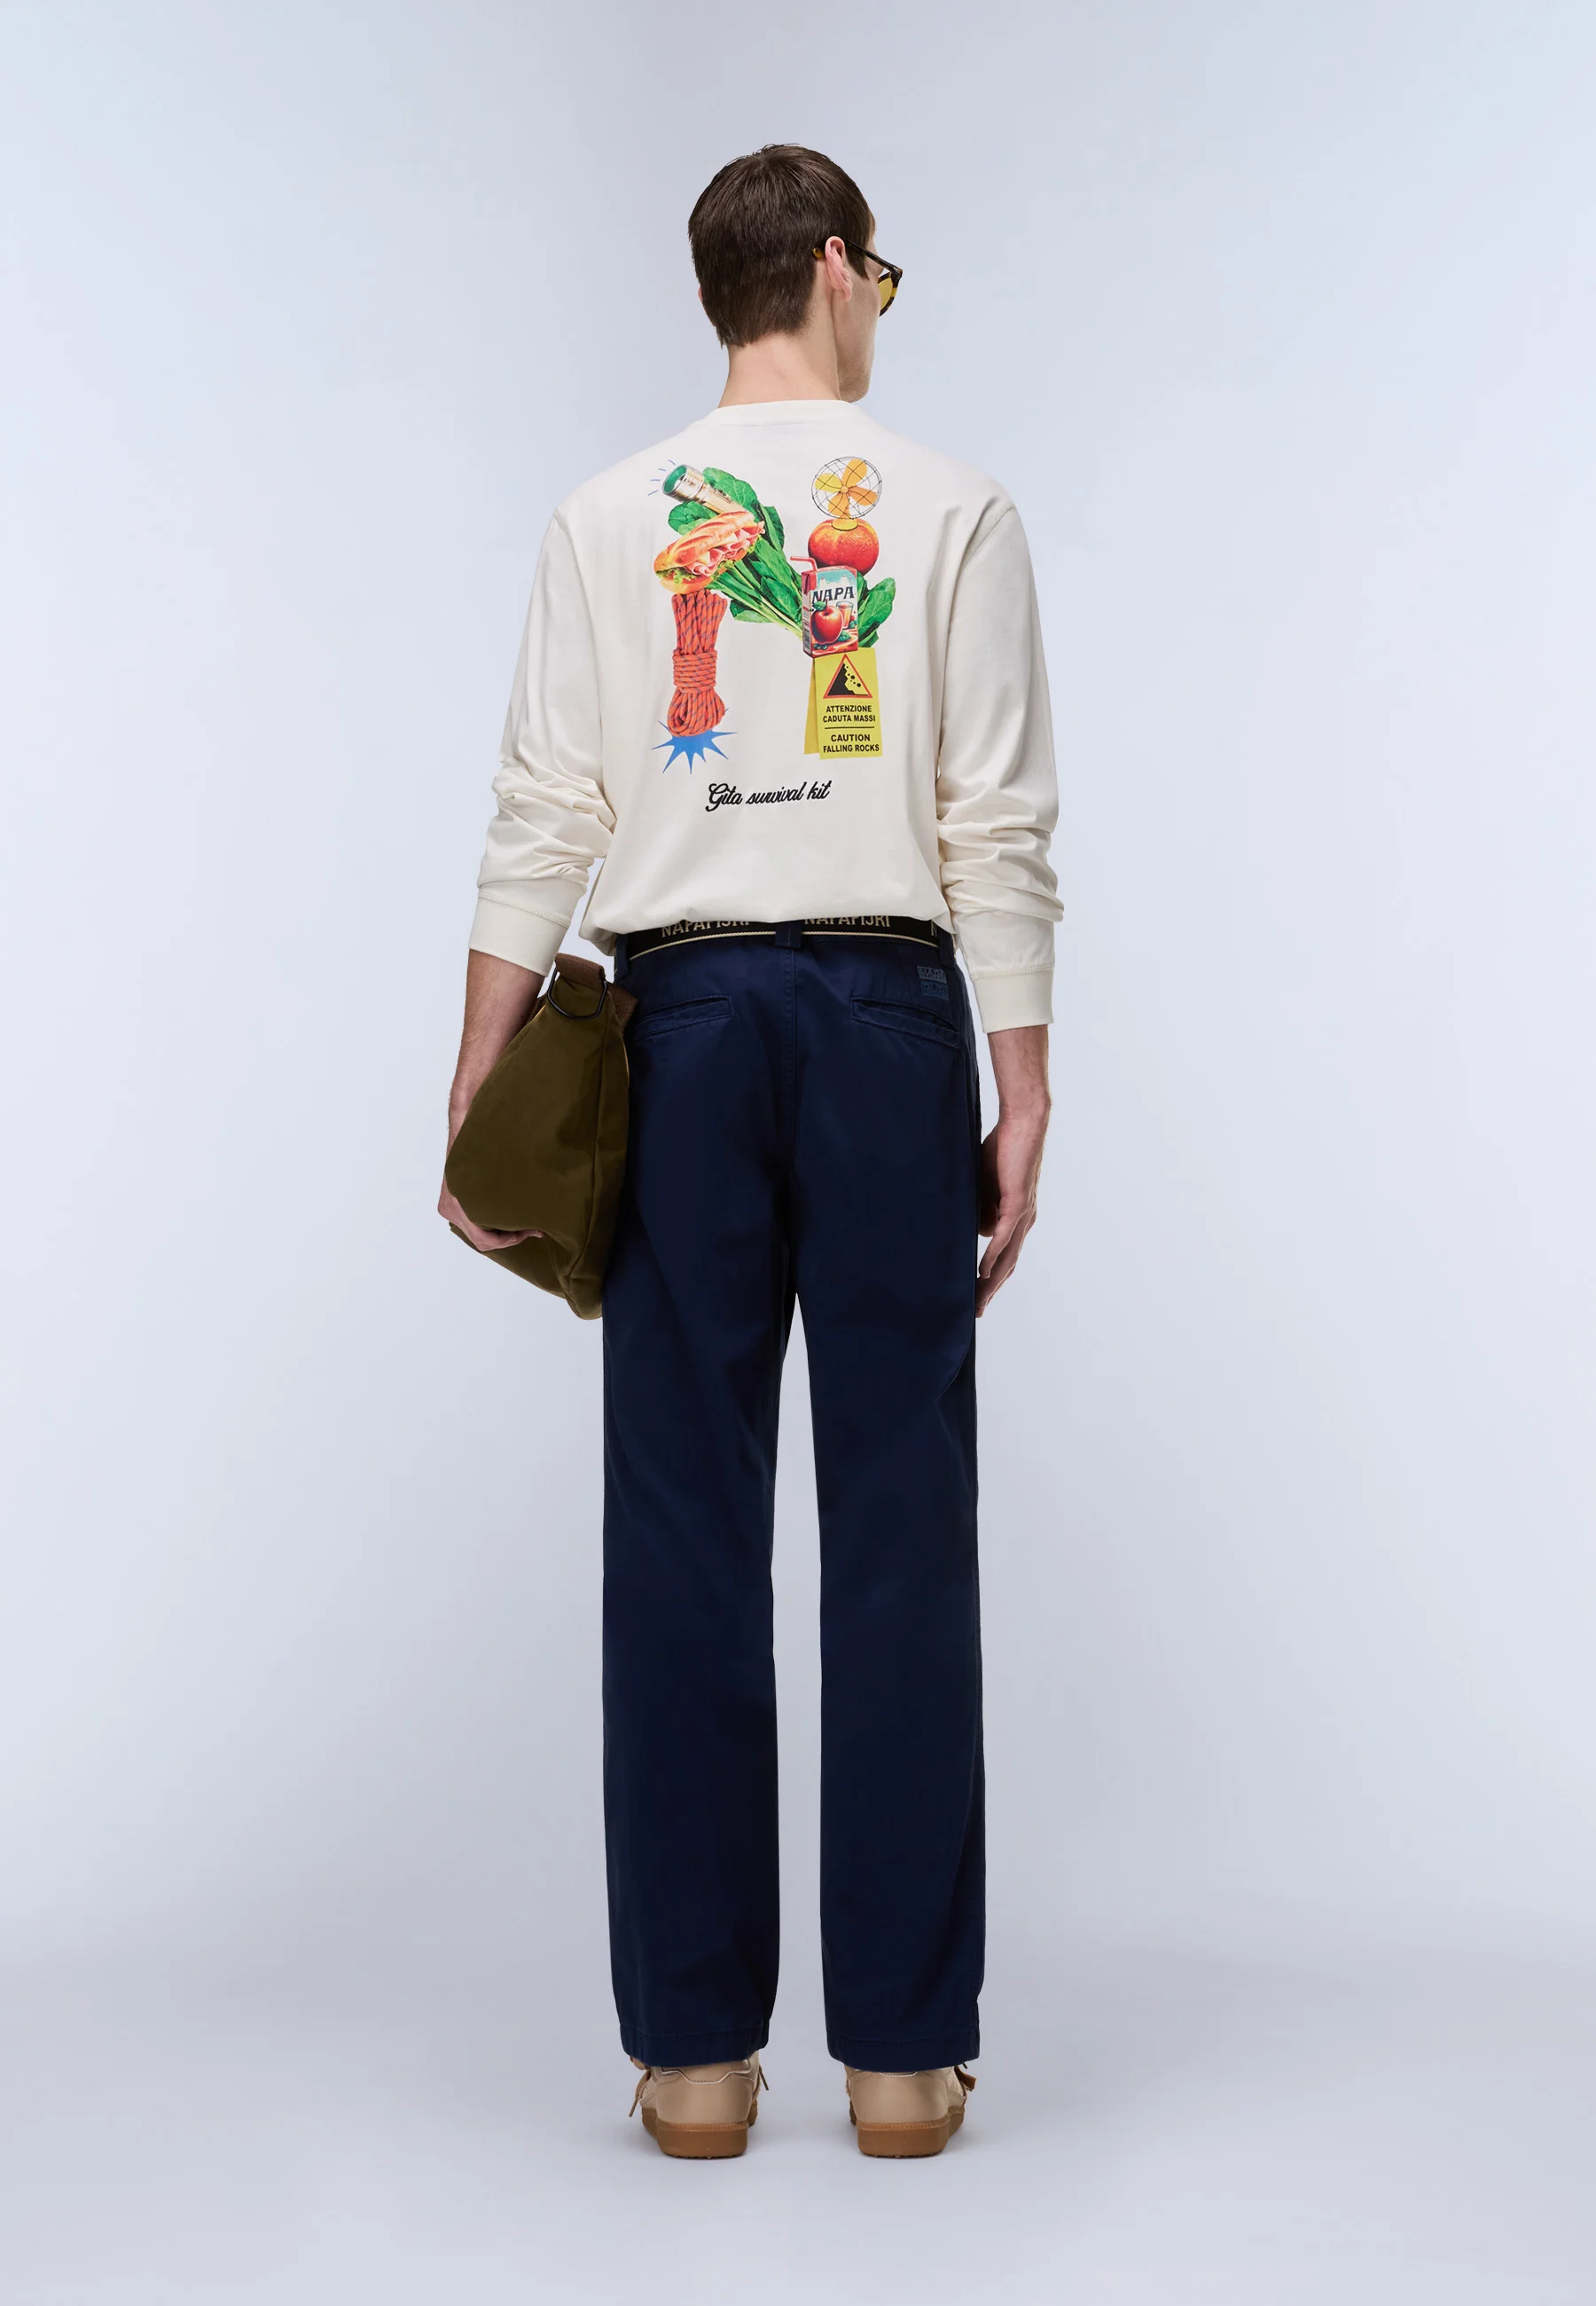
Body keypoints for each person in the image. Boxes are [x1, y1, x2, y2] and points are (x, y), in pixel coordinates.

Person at [440, 145, 1060, 2161]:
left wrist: (479, 1074)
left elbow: (544, 808)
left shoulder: (604, 514)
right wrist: (1024, 1082)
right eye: (883, 277)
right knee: (900, 1526)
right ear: (834, 269)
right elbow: (994, 823)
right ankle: (902, 2062)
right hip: (888, 1021)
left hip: (680, 1027)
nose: (882, 309)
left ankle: (697, 2061)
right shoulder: (952, 507)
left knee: (682, 1528)